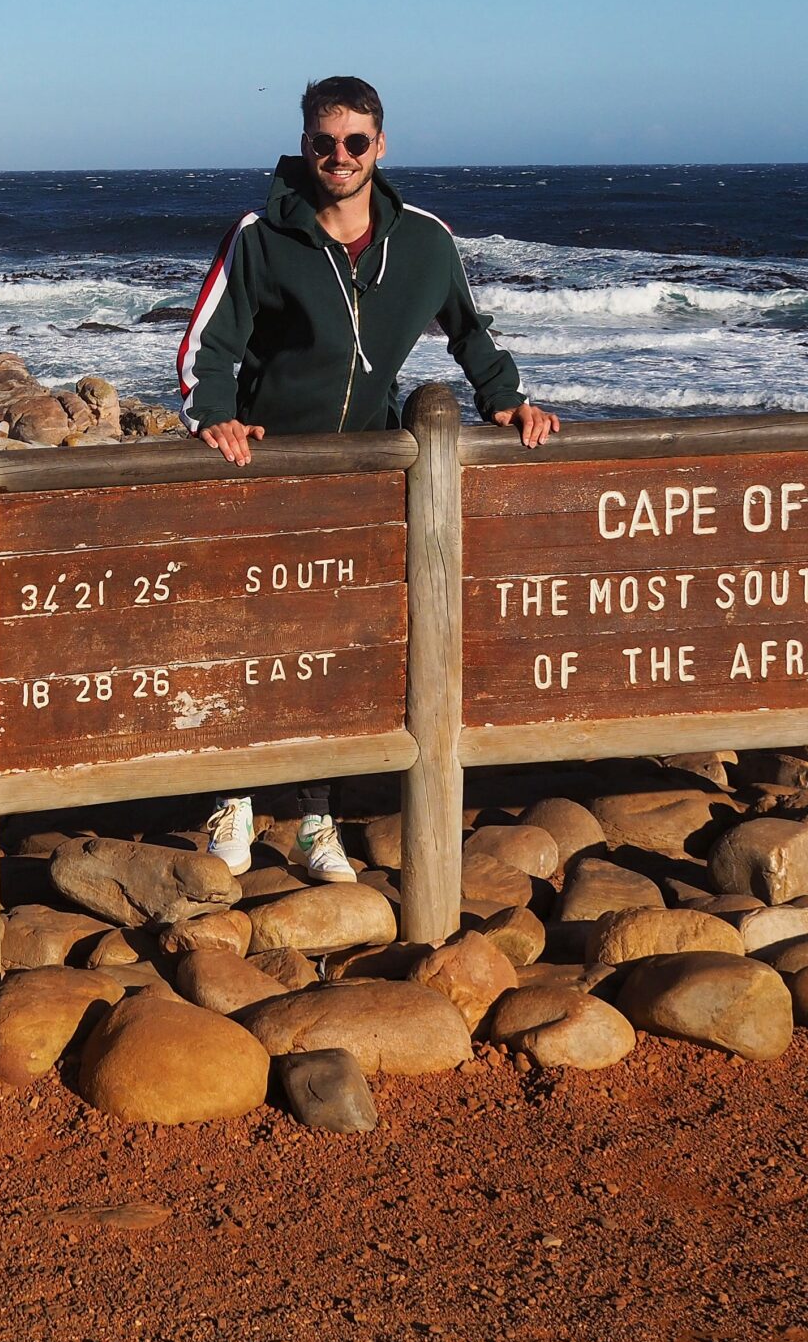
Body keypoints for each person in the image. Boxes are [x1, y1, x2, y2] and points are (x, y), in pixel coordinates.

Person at [176, 75, 558, 880]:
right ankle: (236, 797)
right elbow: (209, 343)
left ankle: (318, 816)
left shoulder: (422, 241)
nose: (339, 156)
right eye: (325, 141)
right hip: (267, 469)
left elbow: (469, 329)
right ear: (305, 144)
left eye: (356, 142)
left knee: (342, 644)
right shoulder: (261, 234)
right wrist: (211, 414)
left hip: (366, 473)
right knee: (258, 637)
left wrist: (509, 401)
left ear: (381, 145)